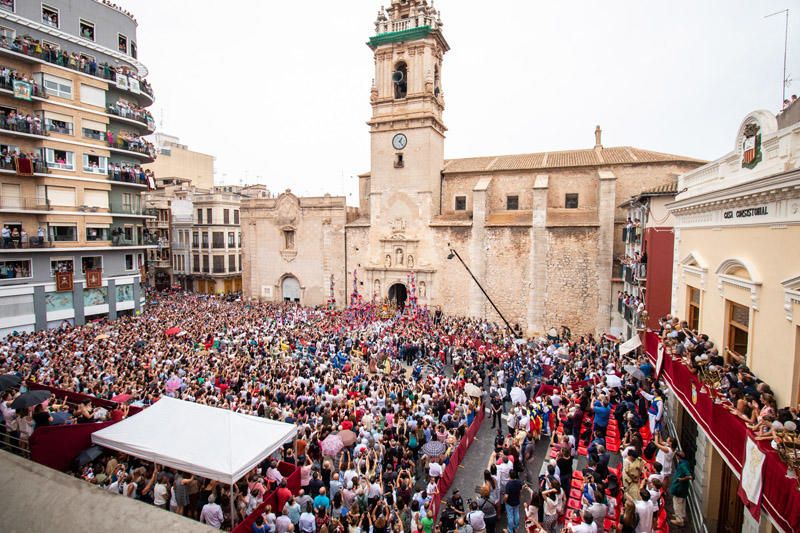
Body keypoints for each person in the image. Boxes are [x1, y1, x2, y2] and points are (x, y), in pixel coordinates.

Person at [669, 451, 693, 527]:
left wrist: (681, 479)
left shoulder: (682, 465)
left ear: (678, 457)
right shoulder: (686, 463)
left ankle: (679, 520)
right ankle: (681, 516)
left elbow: (689, 476)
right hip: (683, 489)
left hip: (679, 488)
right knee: (682, 502)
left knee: (677, 504)